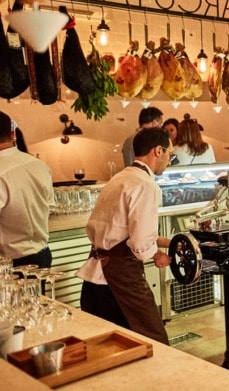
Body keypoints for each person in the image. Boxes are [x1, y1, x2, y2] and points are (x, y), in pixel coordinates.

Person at [77, 127, 174, 345]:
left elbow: (122, 230)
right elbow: (140, 244)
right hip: (120, 272)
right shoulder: (146, 185)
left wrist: (167, 243)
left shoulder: (119, 178)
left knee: (107, 340)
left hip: (97, 271)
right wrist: (156, 255)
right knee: (152, 338)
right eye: (169, 153)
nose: (169, 159)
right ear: (158, 151)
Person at [0, 113, 54, 268]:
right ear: (12, 133)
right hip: (42, 255)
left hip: (9, 264)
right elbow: (49, 206)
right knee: (42, 293)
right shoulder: (39, 165)